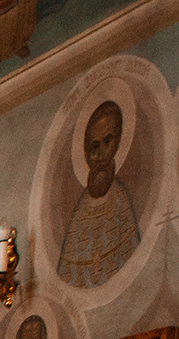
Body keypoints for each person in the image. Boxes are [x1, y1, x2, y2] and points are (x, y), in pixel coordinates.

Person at [59, 100, 140, 288]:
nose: (101, 155)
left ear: (118, 143)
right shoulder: (79, 213)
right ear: (86, 154)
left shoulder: (121, 201)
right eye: (94, 147)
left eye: (107, 142)